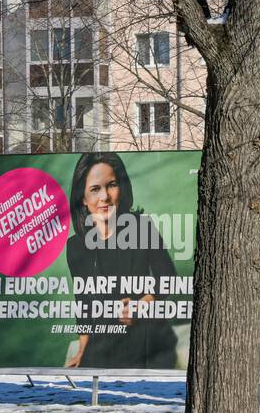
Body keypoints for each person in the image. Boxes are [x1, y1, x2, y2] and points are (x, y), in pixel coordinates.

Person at [63, 152, 180, 369]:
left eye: (112, 185)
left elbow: (167, 276)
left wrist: (142, 304)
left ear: (121, 188)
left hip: (143, 334)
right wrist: (82, 350)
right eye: (95, 189)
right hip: (102, 338)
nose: (105, 196)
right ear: (83, 198)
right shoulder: (76, 246)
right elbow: (83, 302)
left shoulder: (141, 227)